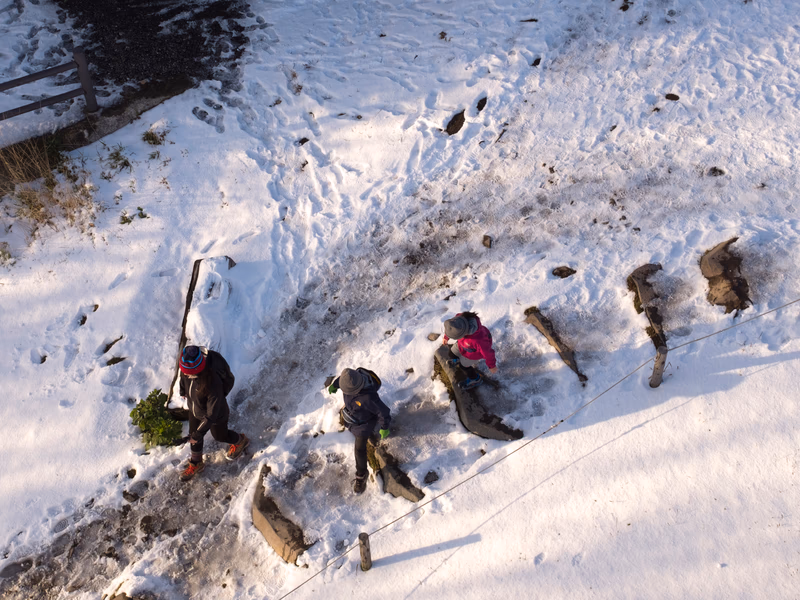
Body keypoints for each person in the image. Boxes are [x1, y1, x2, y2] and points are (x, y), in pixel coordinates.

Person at [177, 345, 250, 481]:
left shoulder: (212, 384)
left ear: (197, 371)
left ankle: (240, 441)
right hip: (195, 409)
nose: (185, 374)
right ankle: (196, 462)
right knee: (194, 434)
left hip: (216, 414)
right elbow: (183, 377)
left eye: (188, 373)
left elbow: (212, 414)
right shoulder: (188, 367)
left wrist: (199, 434)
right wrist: (182, 390)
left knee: (220, 436)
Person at [328, 367, 391, 494]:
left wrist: (384, 427)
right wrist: (335, 385)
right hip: (353, 414)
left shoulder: (368, 398)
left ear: (355, 390)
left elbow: (383, 412)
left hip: (365, 423)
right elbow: (342, 379)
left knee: (359, 449)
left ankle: (361, 474)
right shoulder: (351, 378)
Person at [442, 311, 498, 389]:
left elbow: (488, 353)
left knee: (464, 366)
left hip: (474, 353)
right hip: (462, 345)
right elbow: (451, 327)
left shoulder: (478, 340)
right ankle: (457, 360)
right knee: (452, 353)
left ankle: (475, 379)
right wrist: (446, 337)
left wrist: (492, 366)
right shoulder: (458, 320)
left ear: (463, 334)